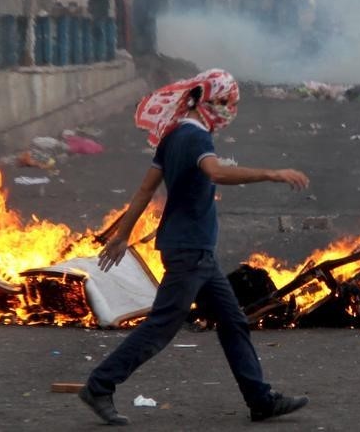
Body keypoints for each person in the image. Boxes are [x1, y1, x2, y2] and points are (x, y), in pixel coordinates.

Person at [79, 69, 310, 425]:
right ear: (213, 103)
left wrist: (123, 235)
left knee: (233, 322)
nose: (230, 112)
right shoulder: (195, 138)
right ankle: (99, 385)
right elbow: (216, 173)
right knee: (161, 327)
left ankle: (260, 399)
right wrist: (272, 173)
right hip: (189, 252)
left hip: (197, 252)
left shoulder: (172, 135)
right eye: (228, 104)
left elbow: (144, 191)